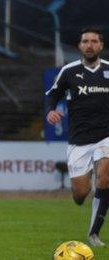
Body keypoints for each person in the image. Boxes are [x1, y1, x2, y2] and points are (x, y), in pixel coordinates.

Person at [46, 27, 109, 247]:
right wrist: (51, 110)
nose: (89, 44)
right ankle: (84, 190)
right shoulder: (69, 71)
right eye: (85, 41)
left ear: (101, 45)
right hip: (79, 139)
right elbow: (53, 94)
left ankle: (93, 234)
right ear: (80, 46)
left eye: (94, 41)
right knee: (80, 194)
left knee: (105, 175)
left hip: (106, 136)